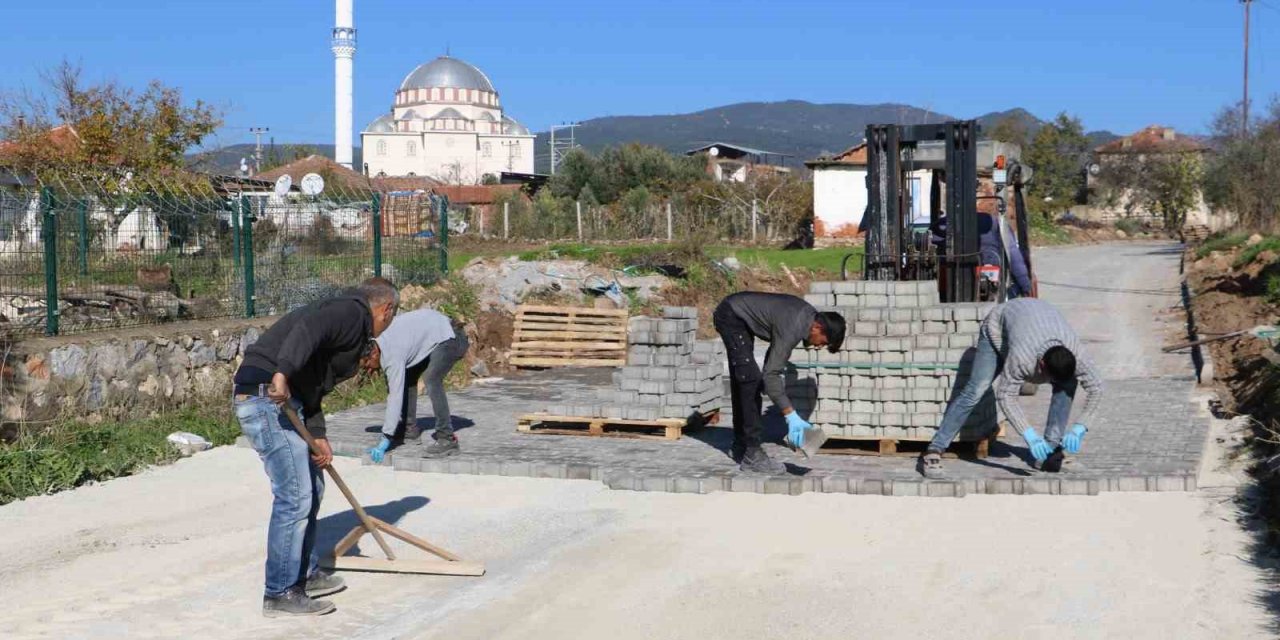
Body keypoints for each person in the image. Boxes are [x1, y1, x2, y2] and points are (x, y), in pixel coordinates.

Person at [232, 277, 399, 617]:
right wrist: (282, 373)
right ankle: (279, 593)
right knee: (295, 496)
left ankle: (305, 574)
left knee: (314, 485)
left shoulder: (349, 323)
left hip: (286, 400)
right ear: (386, 309)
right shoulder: (351, 312)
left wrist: (317, 432)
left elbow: (311, 382)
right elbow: (308, 328)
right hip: (267, 396)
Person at [919, 297, 1103, 479]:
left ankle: (1050, 452)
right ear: (1041, 364)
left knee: (1067, 384)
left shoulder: (1077, 354)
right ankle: (935, 450)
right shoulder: (1022, 358)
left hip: (1036, 320)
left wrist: (1081, 426)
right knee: (976, 389)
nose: (1045, 382)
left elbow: (1097, 388)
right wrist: (1029, 434)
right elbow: (1006, 395)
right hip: (998, 329)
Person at [713, 291, 846, 474]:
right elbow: (771, 375)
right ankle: (752, 455)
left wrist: (769, 378)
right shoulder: (795, 327)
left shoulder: (806, 318)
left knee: (745, 379)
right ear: (817, 327)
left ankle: (741, 445)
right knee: (749, 380)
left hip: (739, 315)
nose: (819, 346)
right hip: (731, 315)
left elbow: (775, 352)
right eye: (823, 342)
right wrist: (790, 415)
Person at [365, 308, 470, 462]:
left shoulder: (392, 354)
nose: (368, 368)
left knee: (432, 379)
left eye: (367, 364)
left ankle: (447, 439)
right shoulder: (380, 337)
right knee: (407, 377)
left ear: (374, 353)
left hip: (452, 336)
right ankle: (410, 430)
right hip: (436, 334)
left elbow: (395, 396)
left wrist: (386, 437)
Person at [930, 212, 1033, 298]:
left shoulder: (942, 224)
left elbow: (933, 249)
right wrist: (1025, 285)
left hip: (955, 276)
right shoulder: (997, 223)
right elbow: (1013, 255)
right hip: (988, 267)